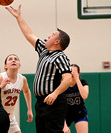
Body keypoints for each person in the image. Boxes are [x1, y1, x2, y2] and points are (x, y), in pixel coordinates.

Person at [6, 5, 72, 133]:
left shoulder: (60, 56)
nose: (48, 36)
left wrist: (55, 93)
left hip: (54, 102)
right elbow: (29, 34)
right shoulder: (44, 51)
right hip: (40, 102)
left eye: (52, 35)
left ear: (57, 41)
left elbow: (68, 79)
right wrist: (19, 17)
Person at [63, 64, 89, 133]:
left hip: (79, 112)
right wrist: (65, 125)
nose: (72, 73)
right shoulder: (63, 84)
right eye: (70, 71)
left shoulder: (83, 82)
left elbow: (84, 96)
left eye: (74, 71)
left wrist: (77, 79)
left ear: (78, 73)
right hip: (65, 113)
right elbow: (58, 107)